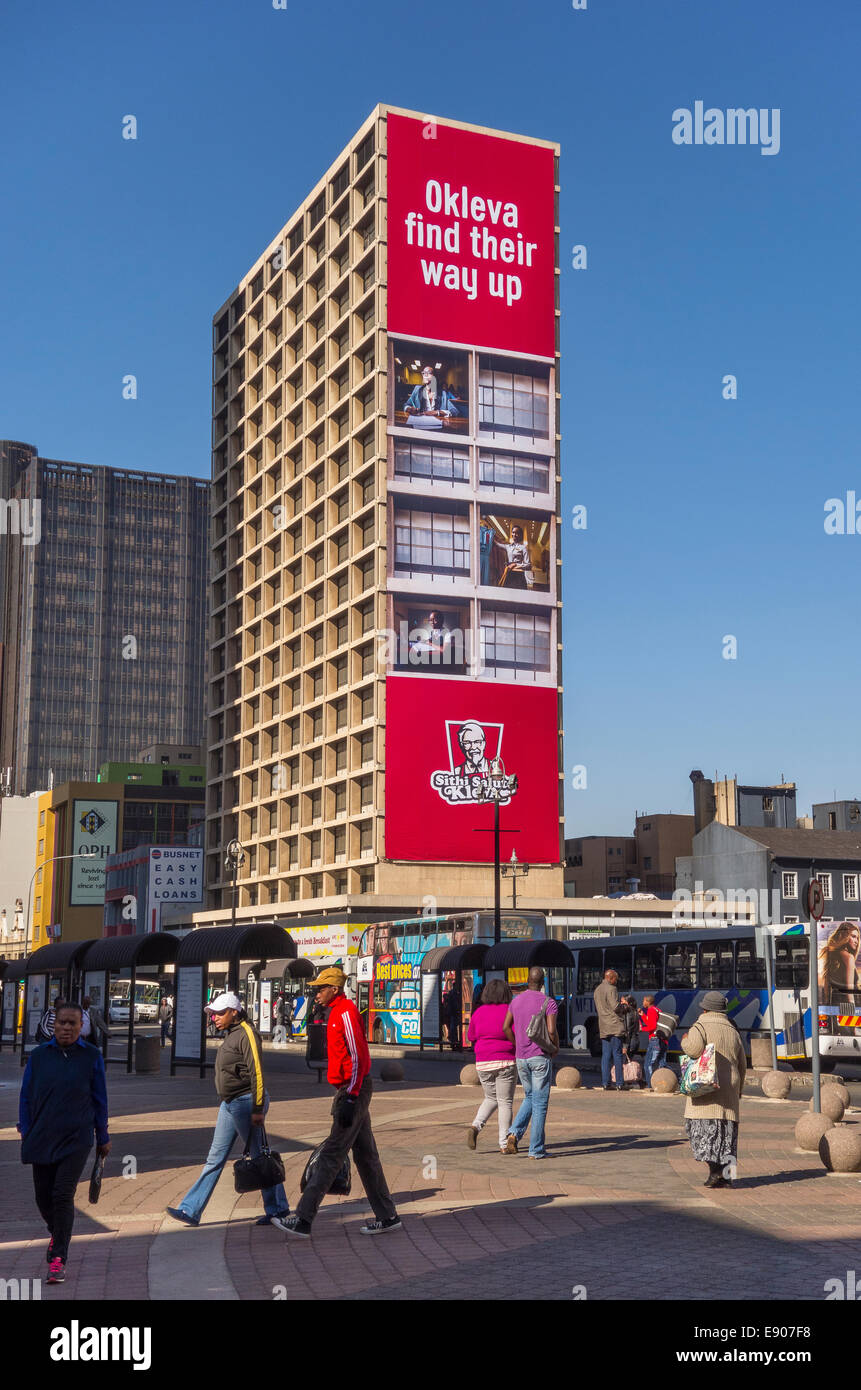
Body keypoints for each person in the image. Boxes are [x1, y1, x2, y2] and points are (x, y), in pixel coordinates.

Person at [276, 967, 400, 1238]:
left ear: (334, 988)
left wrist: (352, 1096)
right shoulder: (335, 1012)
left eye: (320, 988)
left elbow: (357, 1058)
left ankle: (304, 1218)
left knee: (332, 1154)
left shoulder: (343, 1012)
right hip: (352, 1087)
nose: (316, 993)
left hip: (352, 1089)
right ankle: (388, 1215)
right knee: (366, 1156)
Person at [165, 992, 289, 1228]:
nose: (215, 1018)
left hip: (246, 1103)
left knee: (260, 1157)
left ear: (234, 1011)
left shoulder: (247, 1034)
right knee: (215, 1158)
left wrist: (258, 1108)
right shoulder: (231, 1034)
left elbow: (257, 1073)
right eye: (213, 1014)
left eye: (220, 1013)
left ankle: (278, 1209)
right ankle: (190, 1210)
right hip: (230, 1103)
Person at [18, 1001, 110, 1284]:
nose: (67, 1028)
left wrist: (102, 1136)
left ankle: (59, 1257)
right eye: (62, 1023)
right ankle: (57, 1232)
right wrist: (25, 1128)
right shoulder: (39, 1056)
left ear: (82, 1027)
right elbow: (25, 1095)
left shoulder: (92, 1055)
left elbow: (100, 1098)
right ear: (53, 1025)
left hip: (77, 1137)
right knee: (43, 1197)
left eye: (73, 1023)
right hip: (42, 1135)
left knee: (61, 1195)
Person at [681, 991, 747, 1188]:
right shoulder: (732, 1029)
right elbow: (742, 1062)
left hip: (707, 1086)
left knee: (705, 1133)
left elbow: (693, 1049)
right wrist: (739, 1089)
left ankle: (715, 1173)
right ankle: (728, 1177)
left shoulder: (700, 1026)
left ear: (704, 1008)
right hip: (730, 1087)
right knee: (728, 1135)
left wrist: (685, 1039)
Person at [502, 966, 558, 1159]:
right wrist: (555, 1047)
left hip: (521, 1057)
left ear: (527, 981)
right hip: (540, 1057)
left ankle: (513, 1134)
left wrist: (517, 1044)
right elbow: (551, 1031)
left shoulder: (516, 1001)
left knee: (529, 1096)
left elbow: (505, 1027)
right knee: (540, 1103)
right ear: (543, 983)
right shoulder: (548, 1002)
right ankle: (536, 1149)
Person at [466, 979, 517, 1152]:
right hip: (505, 1060)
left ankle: (475, 1126)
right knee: (505, 1102)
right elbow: (515, 1034)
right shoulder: (509, 1011)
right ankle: (504, 1144)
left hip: (482, 1061)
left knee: (490, 1098)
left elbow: (471, 1036)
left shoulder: (478, 1012)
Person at [594, 969, 627, 1091]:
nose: (616, 982)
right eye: (615, 979)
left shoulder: (597, 989)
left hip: (603, 1025)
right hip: (614, 1025)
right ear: (610, 978)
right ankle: (619, 1083)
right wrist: (625, 1007)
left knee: (606, 1056)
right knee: (617, 1055)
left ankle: (605, 1083)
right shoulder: (612, 989)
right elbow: (615, 1006)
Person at [818, 922, 861, 1004]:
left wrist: (827, 1003)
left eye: (857, 938)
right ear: (845, 936)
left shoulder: (832, 954)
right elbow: (850, 989)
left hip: (835, 1002)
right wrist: (854, 1009)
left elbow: (827, 984)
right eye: (853, 936)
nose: (856, 941)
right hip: (847, 1005)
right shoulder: (849, 957)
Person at [639, 995, 666, 1084]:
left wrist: (641, 1029)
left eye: (644, 1001)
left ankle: (650, 1084)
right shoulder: (656, 1009)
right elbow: (651, 1022)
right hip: (662, 1039)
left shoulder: (651, 1010)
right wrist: (643, 1015)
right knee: (661, 1063)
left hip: (654, 1040)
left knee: (648, 1063)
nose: (643, 1003)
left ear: (648, 1002)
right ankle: (666, 1081)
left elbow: (652, 1026)